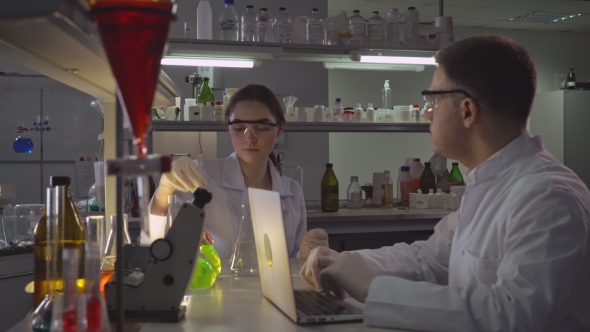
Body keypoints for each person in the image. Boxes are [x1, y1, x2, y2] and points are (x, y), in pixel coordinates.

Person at [300, 35, 590, 331]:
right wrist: (343, 262)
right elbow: (428, 259)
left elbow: (514, 314)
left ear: (467, 111)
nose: (428, 112)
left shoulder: (548, 197)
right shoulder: (489, 184)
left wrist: (373, 288)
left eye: (433, 100)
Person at [147, 84, 328, 259]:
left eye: (262, 128)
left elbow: (292, 266)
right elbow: (155, 243)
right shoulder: (202, 175)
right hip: (215, 290)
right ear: (228, 128)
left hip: (273, 291)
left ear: (278, 129)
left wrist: (304, 255)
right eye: (240, 129)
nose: (250, 138)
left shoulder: (292, 192)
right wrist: (163, 192)